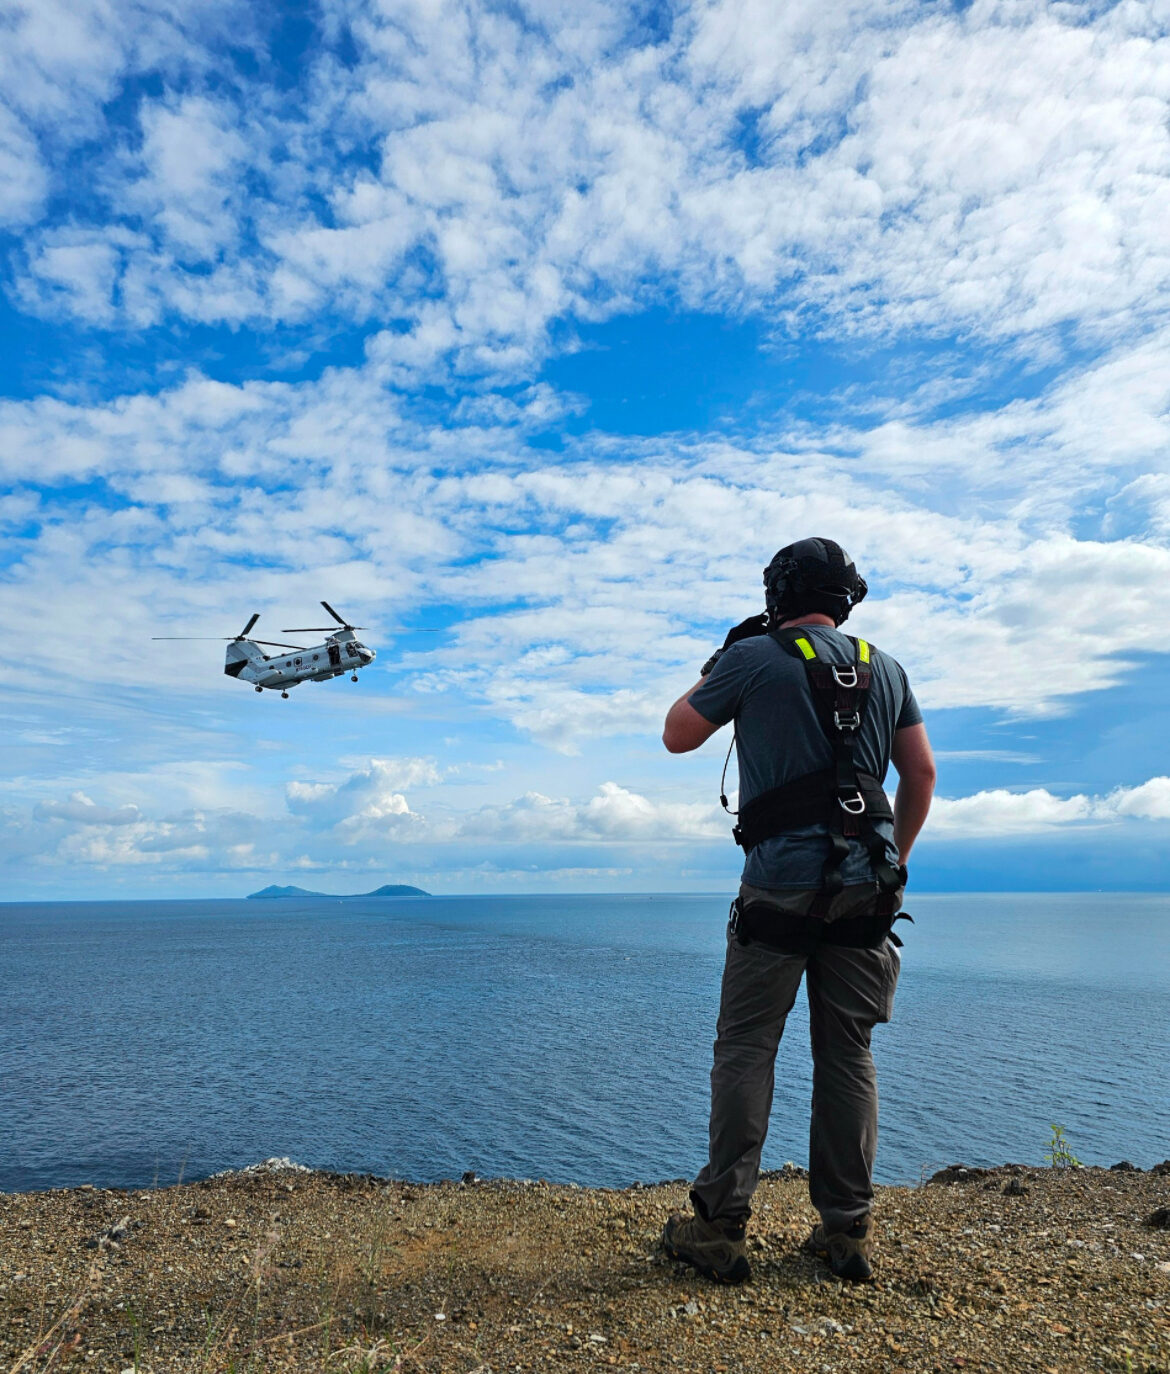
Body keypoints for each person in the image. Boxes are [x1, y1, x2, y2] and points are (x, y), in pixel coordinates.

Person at [659, 537, 936, 1284]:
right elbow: (920, 773)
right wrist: (896, 861)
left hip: (778, 887)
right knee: (848, 1053)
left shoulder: (752, 658)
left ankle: (720, 1227)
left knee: (747, 1048)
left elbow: (677, 734)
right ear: (844, 599)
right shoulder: (887, 667)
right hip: (868, 888)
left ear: (777, 594)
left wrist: (719, 660)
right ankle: (847, 1232)